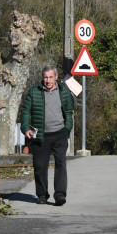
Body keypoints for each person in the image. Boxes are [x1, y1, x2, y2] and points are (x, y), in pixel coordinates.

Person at [19, 64, 74, 205]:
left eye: (51, 77)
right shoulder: (34, 92)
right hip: (41, 135)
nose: (48, 80)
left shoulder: (64, 91)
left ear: (56, 77)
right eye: (45, 77)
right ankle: (42, 195)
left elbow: (69, 112)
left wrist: (67, 129)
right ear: (42, 78)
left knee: (61, 163)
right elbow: (25, 112)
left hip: (60, 133)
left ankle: (60, 195)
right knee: (40, 165)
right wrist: (25, 128)